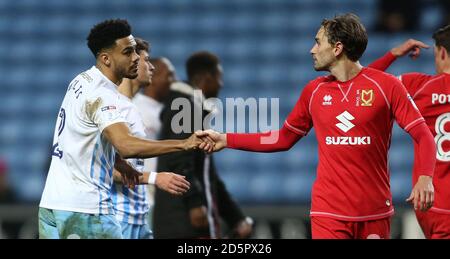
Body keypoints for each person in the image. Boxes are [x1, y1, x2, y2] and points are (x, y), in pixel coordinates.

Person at [197, 13, 436, 239]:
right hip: (328, 213)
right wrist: (227, 139)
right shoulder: (314, 91)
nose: (312, 49)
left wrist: (425, 177)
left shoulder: (388, 86)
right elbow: (283, 138)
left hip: (374, 213)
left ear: (337, 47)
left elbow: (423, 134)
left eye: (317, 42)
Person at [38, 19, 213, 239]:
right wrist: (184, 143)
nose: (136, 58)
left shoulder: (80, 80)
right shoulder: (104, 96)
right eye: (128, 52)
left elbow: (82, 142)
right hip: (86, 208)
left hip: (52, 203)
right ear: (106, 59)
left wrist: (120, 163)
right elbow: (126, 145)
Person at [153, 52, 253, 239]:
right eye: (219, 77)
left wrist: (236, 218)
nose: (221, 84)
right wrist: (194, 204)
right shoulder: (185, 107)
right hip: (181, 223)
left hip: (183, 222)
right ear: (206, 78)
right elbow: (177, 157)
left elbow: (208, 177)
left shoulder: (190, 108)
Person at [368, 25, 450, 239]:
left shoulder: (419, 86)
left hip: (433, 203)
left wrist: (393, 54)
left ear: (441, 52)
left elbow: (366, 83)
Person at [111, 39, 190, 239]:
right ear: (132, 62)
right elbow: (103, 168)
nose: (152, 66)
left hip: (139, 213)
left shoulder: (130, 107)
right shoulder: (112, 108)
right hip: (118, 216)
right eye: (146, 60)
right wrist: (155, 178)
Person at [132, 57, 176, 229]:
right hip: (140, 192)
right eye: (169, 75)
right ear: (154, 77)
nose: (174, 81)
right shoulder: (134, 107)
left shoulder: (170, 112)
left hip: (161, 191)